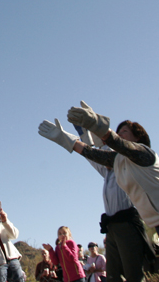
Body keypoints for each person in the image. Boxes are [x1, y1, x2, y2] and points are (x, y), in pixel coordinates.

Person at [38, 100, 157, 282]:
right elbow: (94, 154)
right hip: (120, 224)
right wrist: (66, 139)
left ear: (138, 138)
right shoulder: (118, 164)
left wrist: (96, 127)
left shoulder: (146, 154)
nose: (120, 135)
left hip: (130, 221)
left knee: (134, 275)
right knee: (113, 276)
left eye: (124, 131)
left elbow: (119, 145)